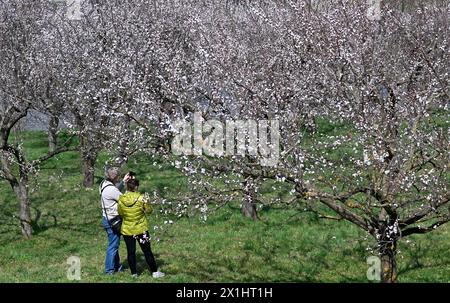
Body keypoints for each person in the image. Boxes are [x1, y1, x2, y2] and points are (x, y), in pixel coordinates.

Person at [118, 176, 165, 278]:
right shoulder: (142, 198)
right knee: (147, 251)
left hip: (127, 229)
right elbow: (149, 211)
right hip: (141, 229)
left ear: (127, 187)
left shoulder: (121, 199)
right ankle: (155, 272)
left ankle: (134, 274)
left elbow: (120, 213)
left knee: (131, 252)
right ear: (136, 187)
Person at [100, 167, 131, 275]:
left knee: (114, 243)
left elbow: (115, 189)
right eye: (118, 176)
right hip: (113, 220)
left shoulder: (103, 184)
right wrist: (131, 189)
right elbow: (125, 200)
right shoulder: (111, 190)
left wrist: (123, 182)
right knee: (113, 245)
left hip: (106, 218)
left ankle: (117, 266)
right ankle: (109, 270)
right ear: (115, 177)